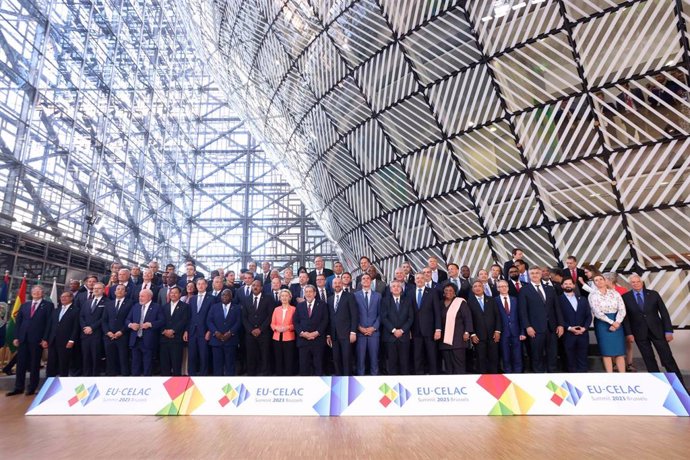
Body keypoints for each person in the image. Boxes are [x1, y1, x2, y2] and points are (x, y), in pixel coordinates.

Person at [622, 274, 684, 386]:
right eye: (633, 282)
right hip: (639, 333)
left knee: (667, 358)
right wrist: (629, 333)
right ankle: (658, 386)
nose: (636, 284)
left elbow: (664, 313)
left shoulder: (653, 294)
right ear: (630, 284)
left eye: (638, 281)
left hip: (658, 331)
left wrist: (668, 331)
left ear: (642, 282)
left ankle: (679, 386)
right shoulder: (625, 297)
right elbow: (626, 318)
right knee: (649, 360)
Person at [519, 266, 564, 373]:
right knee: (536, 355)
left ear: (541, 274)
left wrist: (561, 324)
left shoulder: (550, 289)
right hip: (535, 328)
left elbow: (557, 308)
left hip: (552, 327)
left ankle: (552, 375)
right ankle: (538, 376)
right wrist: (527, 326)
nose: (535, 275)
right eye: (532, 273)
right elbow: (523, 311)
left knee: (552, 354)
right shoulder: (524, 290)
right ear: (529, 276)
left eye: (537, 273)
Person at [589, 273, 626, 373]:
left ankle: (623, 375)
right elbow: (597, 312)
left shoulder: (614, 293)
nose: (599, 281)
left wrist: (617, 322)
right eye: (596, 280)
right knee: (607, 352)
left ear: (605, 280)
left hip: (617, 321)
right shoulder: (592, 295)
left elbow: (622, 308)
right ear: (594, 283)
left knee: (620, 351)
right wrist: (611, 322)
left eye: (601, 279)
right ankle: (610, 375)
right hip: (602, 323)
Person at [126, 289, 163, 376]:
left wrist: (150, 324)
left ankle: (147, 382)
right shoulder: (136, 306)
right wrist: (131, 325)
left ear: (150, 297)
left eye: (142, 296)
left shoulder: (157, 307)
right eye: (139, 296)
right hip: (135, 340)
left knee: (148, 364)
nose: (140, 298)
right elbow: (127, 320)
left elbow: (162, 321)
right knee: (135, 363)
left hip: (148, 340)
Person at [380, 280, 414, 375]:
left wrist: (402, 330)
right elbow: (383, 317)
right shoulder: (385, 300)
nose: (396, 288)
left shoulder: (407, 300)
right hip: (390, 337)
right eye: (393, 286)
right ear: (390, 289)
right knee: (391, 363)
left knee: (404, 363)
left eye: (398, 286)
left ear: (401, 289)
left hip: (404, 336)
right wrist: (394, 330)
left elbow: (411, 318)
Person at [467, 281, 501, 373]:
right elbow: (468, 319)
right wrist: (472, 334)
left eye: (479, 286)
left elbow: (497, 316)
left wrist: (498, 331)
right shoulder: (469, 302)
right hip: (478, 336)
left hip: (493, 335)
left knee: (494, 359)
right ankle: (483, 382)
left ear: (483, 288)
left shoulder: (491, 300)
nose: (477, 288)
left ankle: (494, 381)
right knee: (480, 360)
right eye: (475, 286)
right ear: (472, 289)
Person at [326, 277, 357, 376]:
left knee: (346, 358)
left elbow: (354, 315)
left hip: (346, 334)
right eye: (335, 283)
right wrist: (328, 335)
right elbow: (329, 318)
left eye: (339, 283)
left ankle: (347, 378)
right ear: (332, 285)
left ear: (342, 284)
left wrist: (353, 332)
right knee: (336, 358)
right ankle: (339, 378)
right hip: (334, 335)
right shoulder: (330, 299)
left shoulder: (349, 296)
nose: (337, 285)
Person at [559, 278, 592, 372]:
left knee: (583, 357)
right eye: (566, 283)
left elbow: (588, 316)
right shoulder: (558, 300)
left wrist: (584, 328)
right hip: (567, 334)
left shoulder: (583, 299)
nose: (568, 285)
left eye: (570, 283)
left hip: (583, 333)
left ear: (574, 285)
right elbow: (558, 317)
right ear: (562, 286)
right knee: (569, 359)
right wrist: (569, 328)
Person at [411, 272, 441, 374]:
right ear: (414, 280)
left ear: (425, 280)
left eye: (421, 278)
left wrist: (438, 329)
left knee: (432, 355)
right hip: (415, 330)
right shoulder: (410, 292)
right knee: (417, 356)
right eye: (417, 278)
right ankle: (419, 376)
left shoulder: (432, 292)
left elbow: (437, 312)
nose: (419, 280)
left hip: (430, 330)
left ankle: (433, 376)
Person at [241, 280, 273, 376]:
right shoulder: (246, 299)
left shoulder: (268, 299)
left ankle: (265, 373)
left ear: (261, 288)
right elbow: (244, 317)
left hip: (264, 332)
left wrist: (260, 329)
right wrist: (251, 329)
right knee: (250, 354)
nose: (255, 287)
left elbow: (270, 316)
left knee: (265, 355)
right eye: (253, 285)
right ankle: (251, 373)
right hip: (250, 333)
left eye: (257, 285)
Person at [294, 285, 328, 375]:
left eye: (310, 291)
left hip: (318, 340)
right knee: (304, 366)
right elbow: (295, 321)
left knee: (318, 365)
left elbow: (325, 320)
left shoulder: (322, 305)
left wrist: (316, 333)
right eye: (306, 292)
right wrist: (302, 333)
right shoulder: (299, 306)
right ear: (304, 294)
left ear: (315, 293)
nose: (308, 294)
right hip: (303, 341)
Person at [44, 291, 79, 377]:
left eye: (66, 296)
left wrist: (72, 340)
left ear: (71, 298)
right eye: (62, 297)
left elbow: (76, 327)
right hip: (53, 341)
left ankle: (62, 385)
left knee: (63, 364)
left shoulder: (76, 310)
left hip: (66, 341)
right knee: (51, 364)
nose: (63, 298)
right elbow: (49, 325)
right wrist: (45, 339)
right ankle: (49, 385)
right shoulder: (56, 310)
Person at [439, 284, 472, 374]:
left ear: (454, 293)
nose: (448, 292)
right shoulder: (440, 303)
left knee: (459, 364)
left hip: (458, 338)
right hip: (444, 339)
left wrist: (467, 332)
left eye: (450, 290)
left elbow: (467, 318)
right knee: (448, 365)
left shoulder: (460, 302)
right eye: (446, 290)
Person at [605, 272, 635, 371]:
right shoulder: (603, 291)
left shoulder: (622, 290)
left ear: (610, 280)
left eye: (604, 279)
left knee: (627, 342)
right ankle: (615, 364)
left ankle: (629, 363)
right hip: (610, 319)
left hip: (624, 318)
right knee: (613, 342)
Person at [208, 289, 241, 376]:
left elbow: (239, 322)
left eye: (227, 295)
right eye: (223, 295)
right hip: (216, 340)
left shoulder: (237, 308)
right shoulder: (214, 307)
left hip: (231, 340)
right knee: (217, 365)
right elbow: (209, 321)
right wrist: (215, 332)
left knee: (230, 364)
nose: (225, 297)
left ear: (231, 297)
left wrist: (230, 333)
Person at [102, 284, 133, 376]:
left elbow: (130, 319)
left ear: (125, 292)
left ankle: (124, 377)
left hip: (123, 335)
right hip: (109, 336)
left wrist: (122, 331)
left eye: (122, 289)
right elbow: (104, 320)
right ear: (114, 292)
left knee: (123, 359)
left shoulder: (130, 303)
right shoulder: (108, 304)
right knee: (110, 358)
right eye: (118, 289)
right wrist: (108, 332)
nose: (119, 291)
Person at [160, 286, 190, 376]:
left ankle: (176, 387)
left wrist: (173, 331)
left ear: (180, 294)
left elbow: (184, 320)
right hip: (164, 339)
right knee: (165, 364)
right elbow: (161, 320)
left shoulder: (185, 306)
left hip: (177, 338)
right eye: (171, 293)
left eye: (175, 292)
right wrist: (164, 331)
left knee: (176, 364)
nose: (173, 294)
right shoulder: (164, 306)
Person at [354, 273, 381, 376]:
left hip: (374, 333)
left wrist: (373, 328)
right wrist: (359, 327)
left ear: (371, 281)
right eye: (363, 279)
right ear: (361, 282)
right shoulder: (355, 295)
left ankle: (375, 380)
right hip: (360, 332)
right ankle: (360, 380)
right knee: (360, 359)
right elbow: (354, 314)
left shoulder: (378, 295)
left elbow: (380, 314)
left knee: (374, 359)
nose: (365, 280)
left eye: (367, 278)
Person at [495, 280, 524, 373]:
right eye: (501, 286)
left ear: (508, 287)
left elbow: (521, 316)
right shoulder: (494, 301)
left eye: (505, 286)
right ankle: (508, 377)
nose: (503, 288)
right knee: (505, 357)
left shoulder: (515, 299)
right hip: (503, 333)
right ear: (497, 288)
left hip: (516, 332)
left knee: (518, 357)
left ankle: (518, 377)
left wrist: (522, 332)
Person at [80, 282, 107, 376]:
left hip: (97, 334)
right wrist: (85, 327)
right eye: (94, 288)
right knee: (85, 358)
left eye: (99, 288)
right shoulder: (87, 302)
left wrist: (92, 327)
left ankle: (95, 377)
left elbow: (103, 318)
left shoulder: (107, 302)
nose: (96, 290)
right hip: (85, 334)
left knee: (96, 358)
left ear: (103, 290)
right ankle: (86, 377)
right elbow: (81, 316)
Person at [187, 278, 213, 376]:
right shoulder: (192, 299)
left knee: (204, 355)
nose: (200, 286)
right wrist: (187, 331)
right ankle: (191, 375)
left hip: (204, 331)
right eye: (198, 284)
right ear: (196, 286)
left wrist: (209, 331)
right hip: (192, 331)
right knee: (192, 355)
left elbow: (212, 317)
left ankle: (203, 375)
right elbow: (189, 316)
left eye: (202, 284)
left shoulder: (211, 299)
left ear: (206, 285)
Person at [271, 289, 296, 376]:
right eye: (282, 296)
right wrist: (276, 328)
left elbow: (295, 324)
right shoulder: (276, 309)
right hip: (277, 337)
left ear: (290, 297)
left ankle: (288, 376)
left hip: (289, 337)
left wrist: (287, 327)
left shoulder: (294, 309)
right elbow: (272, 324)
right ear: (280, 298)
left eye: (286, 296)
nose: (284, 298)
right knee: (278, 359)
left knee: (289, 359)